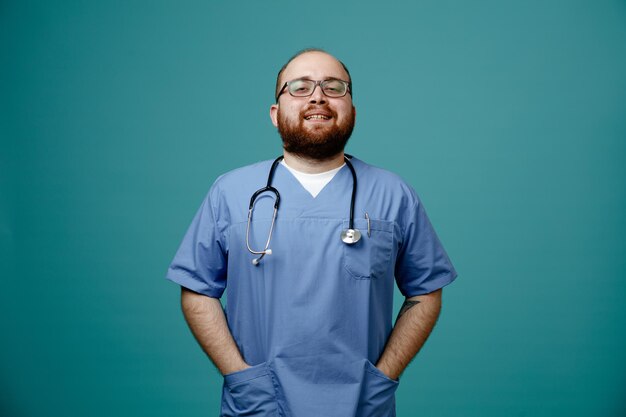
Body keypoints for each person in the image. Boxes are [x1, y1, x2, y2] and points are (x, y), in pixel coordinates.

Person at [166, 48, 457, 417]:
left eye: (334, 87)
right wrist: (240, 377)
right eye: (300, 87)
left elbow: (426, 290)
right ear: (275, 113)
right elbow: (196, 289)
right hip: (259, 405)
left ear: (352, 110)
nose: (318, 96)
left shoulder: (393, 194)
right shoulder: (230, 192)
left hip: (362, 404)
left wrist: (384, 376)